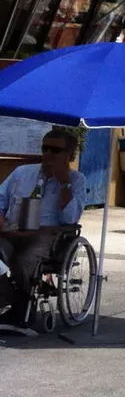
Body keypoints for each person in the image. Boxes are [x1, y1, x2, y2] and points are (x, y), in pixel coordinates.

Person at [0, 128, 87, 331]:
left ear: (69, 155)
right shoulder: (22, 172)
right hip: (13, 228)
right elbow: (1, 199)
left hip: (47, 233)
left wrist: (64, 183)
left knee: (24, 261)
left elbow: (70, 218)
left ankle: (21, 309)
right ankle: (11, 297)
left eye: (55, 150)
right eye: (45, 148)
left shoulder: (77, 180)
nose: (48, 154)